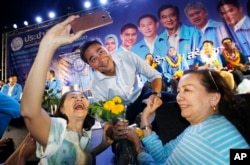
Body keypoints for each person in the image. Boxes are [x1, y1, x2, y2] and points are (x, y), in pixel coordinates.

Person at [20, 15, 113, 164]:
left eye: (82, 97)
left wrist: (103, 145)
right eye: (72, 97)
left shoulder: (85, 135)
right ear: (61, 109)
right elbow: (29, 111)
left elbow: (79, 158)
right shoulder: (56, 130)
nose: (79, 98)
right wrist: (48, 45)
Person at [125, 69, 249, 164]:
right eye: (179, 91)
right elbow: (163, 156)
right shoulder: (204, 126)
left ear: (214, 98)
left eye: (187, 90)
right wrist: (145, 118)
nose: (179, 97)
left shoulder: (201, 134)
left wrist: (138, 149)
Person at [80, 39, 176, 125]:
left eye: (101, 52)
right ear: (90, 66)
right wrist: (113, 124)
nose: (101, 59)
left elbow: (154, 75)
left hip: (143, 94)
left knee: (176, 101)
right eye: (93, 59)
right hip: (125, 112)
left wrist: (155, 94)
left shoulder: (126, 56)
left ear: (107, 50)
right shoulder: (96, 85)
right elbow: (102, 115)